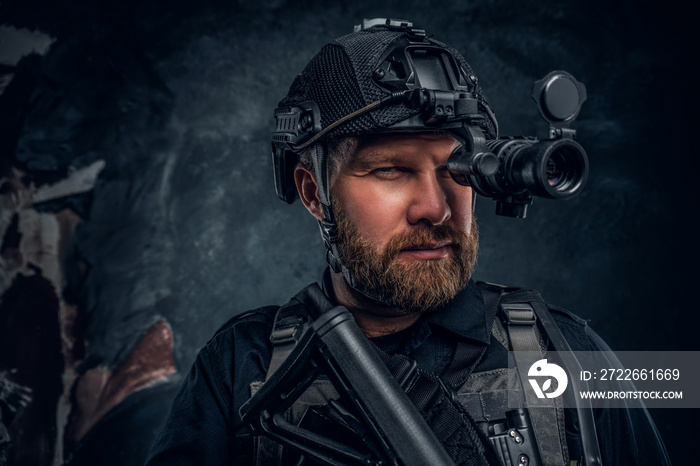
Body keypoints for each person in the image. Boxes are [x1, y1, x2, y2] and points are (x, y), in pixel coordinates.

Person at [145, 19, 670, 466]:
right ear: (313, 193)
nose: (436, 208)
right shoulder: (243, 367)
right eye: (392, 171)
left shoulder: (569, 352)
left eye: (456, 169)